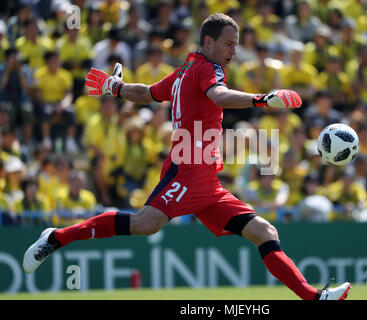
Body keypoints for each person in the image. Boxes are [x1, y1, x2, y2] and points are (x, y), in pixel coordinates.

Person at [22, 13, 350, 300]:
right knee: (144, 224)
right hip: (185, 171)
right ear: (208, 42)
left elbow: (147, 92)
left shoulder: (183, 72)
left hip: (208, 183)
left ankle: (313, 296)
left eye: (236, 45)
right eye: (229, 44)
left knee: (264, 232)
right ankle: (56, 237)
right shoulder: (207, 70)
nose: (234, 52)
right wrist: (261, 99)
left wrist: (116, 87)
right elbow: (218, 96)